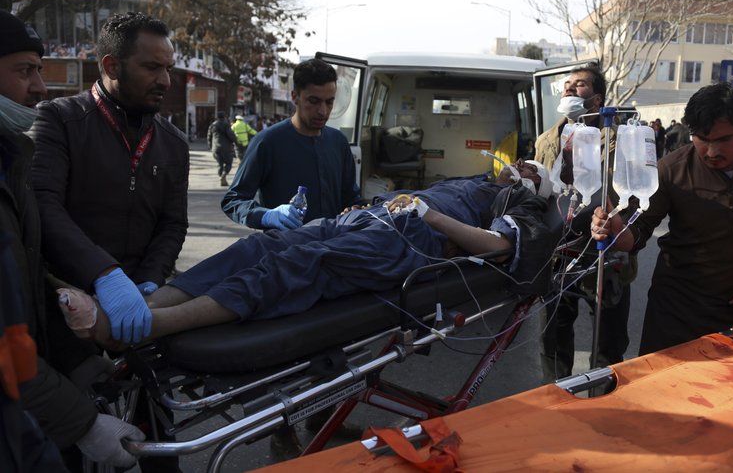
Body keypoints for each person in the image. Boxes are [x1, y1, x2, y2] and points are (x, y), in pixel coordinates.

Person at [61, 161, 555, 344]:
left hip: (408, 239)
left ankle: (154, 326)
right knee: (261, 244)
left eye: (530, 169)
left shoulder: (519, 202)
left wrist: (430, 217)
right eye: (518, 164)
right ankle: (143, 305)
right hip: (368, 219)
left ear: (537, 185)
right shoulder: (475, 178)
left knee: (297, 265)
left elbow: (499, 248)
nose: (517, 169)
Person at [30, 11, 188, 470]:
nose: (165, 80)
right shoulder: (59, 121)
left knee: (161, 437)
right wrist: (103, 275)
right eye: (151, 67)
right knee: (73, 441)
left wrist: (150, 283)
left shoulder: (173, 143)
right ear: (112, 66)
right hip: (69, 310)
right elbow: (44, 205)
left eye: (169, 69)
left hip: (144, 309)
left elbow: (172, 224)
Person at [1, 10, 142, 471]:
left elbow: (17, 284)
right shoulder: (60, 127)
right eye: (25, 71)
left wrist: (81, 362)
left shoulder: (9, 165)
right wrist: (81, 422)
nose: (40, 87)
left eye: (40, 70)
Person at [591, 82, 733, 355]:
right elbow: (637, 231)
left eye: (724, 139)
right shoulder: (671, 169)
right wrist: (616, 230)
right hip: (678, 307)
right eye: (702, 138)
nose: (712, 152)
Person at [533, 63, 633, 384]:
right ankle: (555, 398)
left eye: (579, 85)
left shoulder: (619, 139)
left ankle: (603, 403)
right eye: (567, 85)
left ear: (597, 98)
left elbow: (629, 194)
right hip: (558, 249)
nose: (569, 90)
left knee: (608, 340)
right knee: (553, 334)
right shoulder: (548, 138)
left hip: (603, 248)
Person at [222, 58, 361, 230]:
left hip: (333, 247)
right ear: (294, 96)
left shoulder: (338, 142)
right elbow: (233, 200)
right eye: (314, 101)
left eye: (329, 102)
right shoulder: (267, 142)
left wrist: (355, 210)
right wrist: (265, 215)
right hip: (284, 250)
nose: (323, 111)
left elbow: (352, 198)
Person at [208, 110, 237, 186]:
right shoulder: (226, 125)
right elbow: (231, 135)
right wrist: (235, 141)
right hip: (226, 148)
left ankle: (221, 176)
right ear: (224, 117)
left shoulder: (212, 125)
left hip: (216, 148)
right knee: (228, 163)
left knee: (220, 164)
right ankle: (224, 174)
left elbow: (209, 137)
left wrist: (211, 147)